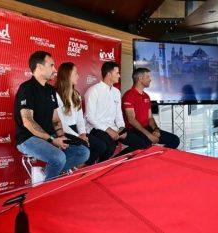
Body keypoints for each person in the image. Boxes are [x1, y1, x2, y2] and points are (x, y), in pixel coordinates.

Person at [14, 51, 89, 181]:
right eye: (51, 65)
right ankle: (44, 189)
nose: (55, 70)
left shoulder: (50, 91)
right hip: (28, 138)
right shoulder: (26, 88)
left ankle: (46, 173)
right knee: (58, 157)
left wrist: (61, 136)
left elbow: (55, 119)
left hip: (51, 136)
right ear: (39, 67)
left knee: (83, 152)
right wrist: (52, 140)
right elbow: (28, 121)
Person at [84, 61, 138, 161]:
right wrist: (109, 130)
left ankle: (114, 162)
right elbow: (89, 117)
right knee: (110, 146)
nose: (119, 75)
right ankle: (101, 166)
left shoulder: (116, 92)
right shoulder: (93, 91)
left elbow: (118, 114)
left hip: (114, 128)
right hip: (96, 128)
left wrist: (121, 128)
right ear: (109, 74)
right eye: (117, 73)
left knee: (139, 143)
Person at [55, 62, 106, 165]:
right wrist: (78, 137)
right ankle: (76, 169)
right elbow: (59, 122)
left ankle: (82, 168)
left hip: (77, 130)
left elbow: (79, 118)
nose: (78, 76)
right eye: (76, 73)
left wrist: (82, 133)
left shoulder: (76, 94)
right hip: (63, 131)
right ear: (67, 75)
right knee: (84, 146)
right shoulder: (56, 95)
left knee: (100, 146)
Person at [122, 68, 180, 150]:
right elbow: (131, 119)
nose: (150, 79)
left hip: (147, 128)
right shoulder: (128, 95)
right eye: (148, 77)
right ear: (140, 78)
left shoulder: (146, 96)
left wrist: (156, 129)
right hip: (134, 130)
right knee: (146, 143)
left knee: (175, 140)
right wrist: (149, 135)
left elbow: (150, 117)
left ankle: (158, 159)